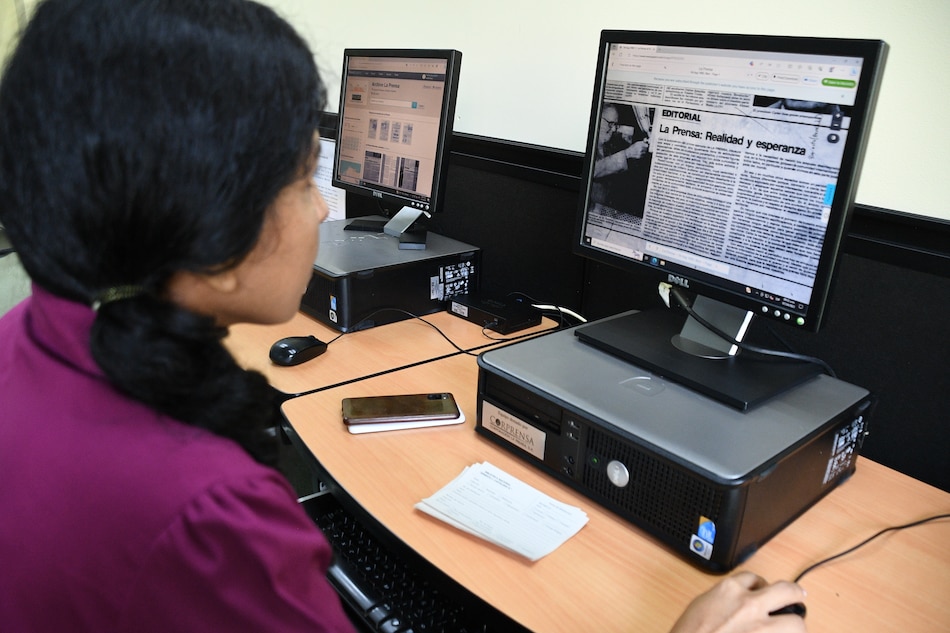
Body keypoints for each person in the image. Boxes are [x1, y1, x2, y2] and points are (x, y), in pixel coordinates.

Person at [0, 1, 806, 631]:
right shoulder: (209, 514)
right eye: (297, 178)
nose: (320, 207)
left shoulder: (22, 342)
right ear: (206, 218)